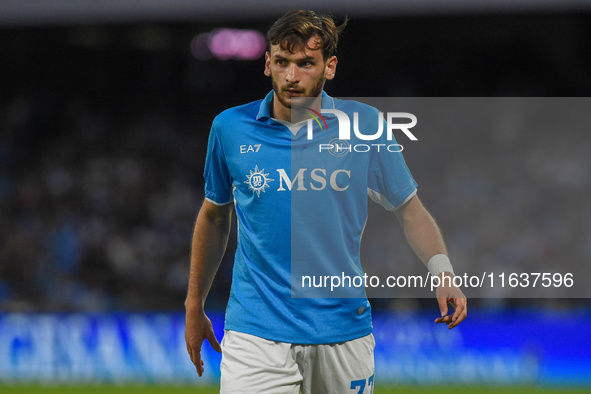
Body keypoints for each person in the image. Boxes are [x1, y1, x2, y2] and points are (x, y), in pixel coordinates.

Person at [185, 9, 467, 393]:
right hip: (256, 332)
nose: (291, 76)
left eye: (305, 64)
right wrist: (193, 304)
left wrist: (443, 271)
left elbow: (408, 210)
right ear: (267, 63)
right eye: (282, 62)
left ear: (329, 67)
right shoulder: (229, 128)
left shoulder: (365, 126)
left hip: (342, 330)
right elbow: (215, 217)